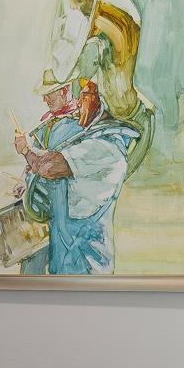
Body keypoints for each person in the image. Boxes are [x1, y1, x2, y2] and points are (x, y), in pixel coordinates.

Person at [14, 75, 142, 274]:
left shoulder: (105, 147)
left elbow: (50, 167)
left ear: (103, 101)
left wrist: (26, 152)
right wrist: (28, 182)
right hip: (64, 253)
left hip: (87, 261)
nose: (79, 101)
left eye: (86, 95)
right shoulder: (90, 139)